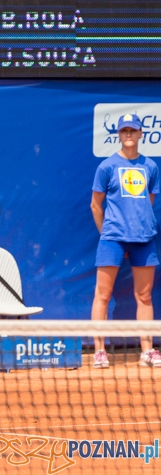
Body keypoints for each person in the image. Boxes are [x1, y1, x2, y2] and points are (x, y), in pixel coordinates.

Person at [91, 113, 161, 368]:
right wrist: (108, 233)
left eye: (133, 131)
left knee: (144, 296)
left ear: (141, 134)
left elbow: (147, 202)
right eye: (124, 131)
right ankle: (100, 352)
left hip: (143, 239)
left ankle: (147, 351)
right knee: (103, 294)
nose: (128, 135)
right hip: (113, 239)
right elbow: (95, 205)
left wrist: (137, 225)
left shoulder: (150, 167)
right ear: (119, 135)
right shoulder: (106, 167)